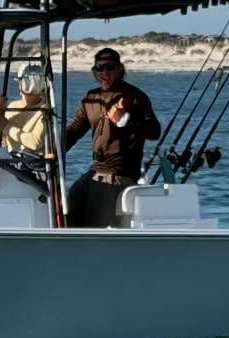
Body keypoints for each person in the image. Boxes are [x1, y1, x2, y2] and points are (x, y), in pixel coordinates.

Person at [63, 47, 161, 226]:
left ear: (119, 70)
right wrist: (52, 150)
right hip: (96, 170)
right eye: (100, 68)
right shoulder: (91, 98)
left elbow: (154, 131)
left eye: (109, 67)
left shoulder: (134, 97)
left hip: (119, 174)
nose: (104, 72)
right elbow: (75, 130)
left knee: (95, 217)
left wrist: (125, 120)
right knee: (73, 197)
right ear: (95, 72)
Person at [0, 63, 50, 155]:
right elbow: (1, 142)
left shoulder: (45, 110)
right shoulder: (11, 106)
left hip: (32, 164)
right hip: (11, 161)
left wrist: (7, 127)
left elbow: (35, 143)